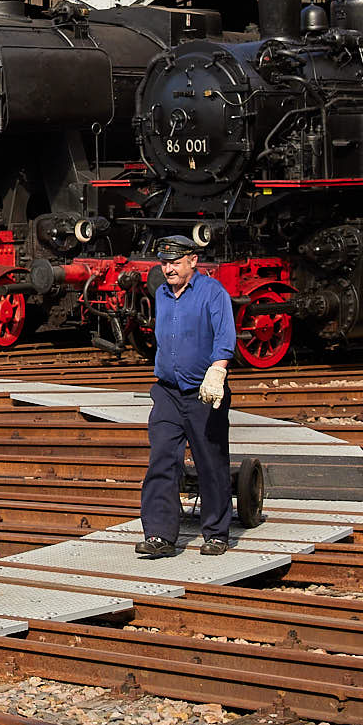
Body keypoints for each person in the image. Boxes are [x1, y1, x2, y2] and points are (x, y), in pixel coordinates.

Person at [137, 237, 235, 558]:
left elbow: (225, 335)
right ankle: (159, 535)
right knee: (162, 459)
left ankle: (216, 533)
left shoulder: (213, 293)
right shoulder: (163, 295)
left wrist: (217, 370)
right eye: (164, 263)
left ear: (193, 261)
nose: (168, 269)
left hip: (202, 394)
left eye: (175, 263)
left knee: (211, 461)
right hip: (167, 391)